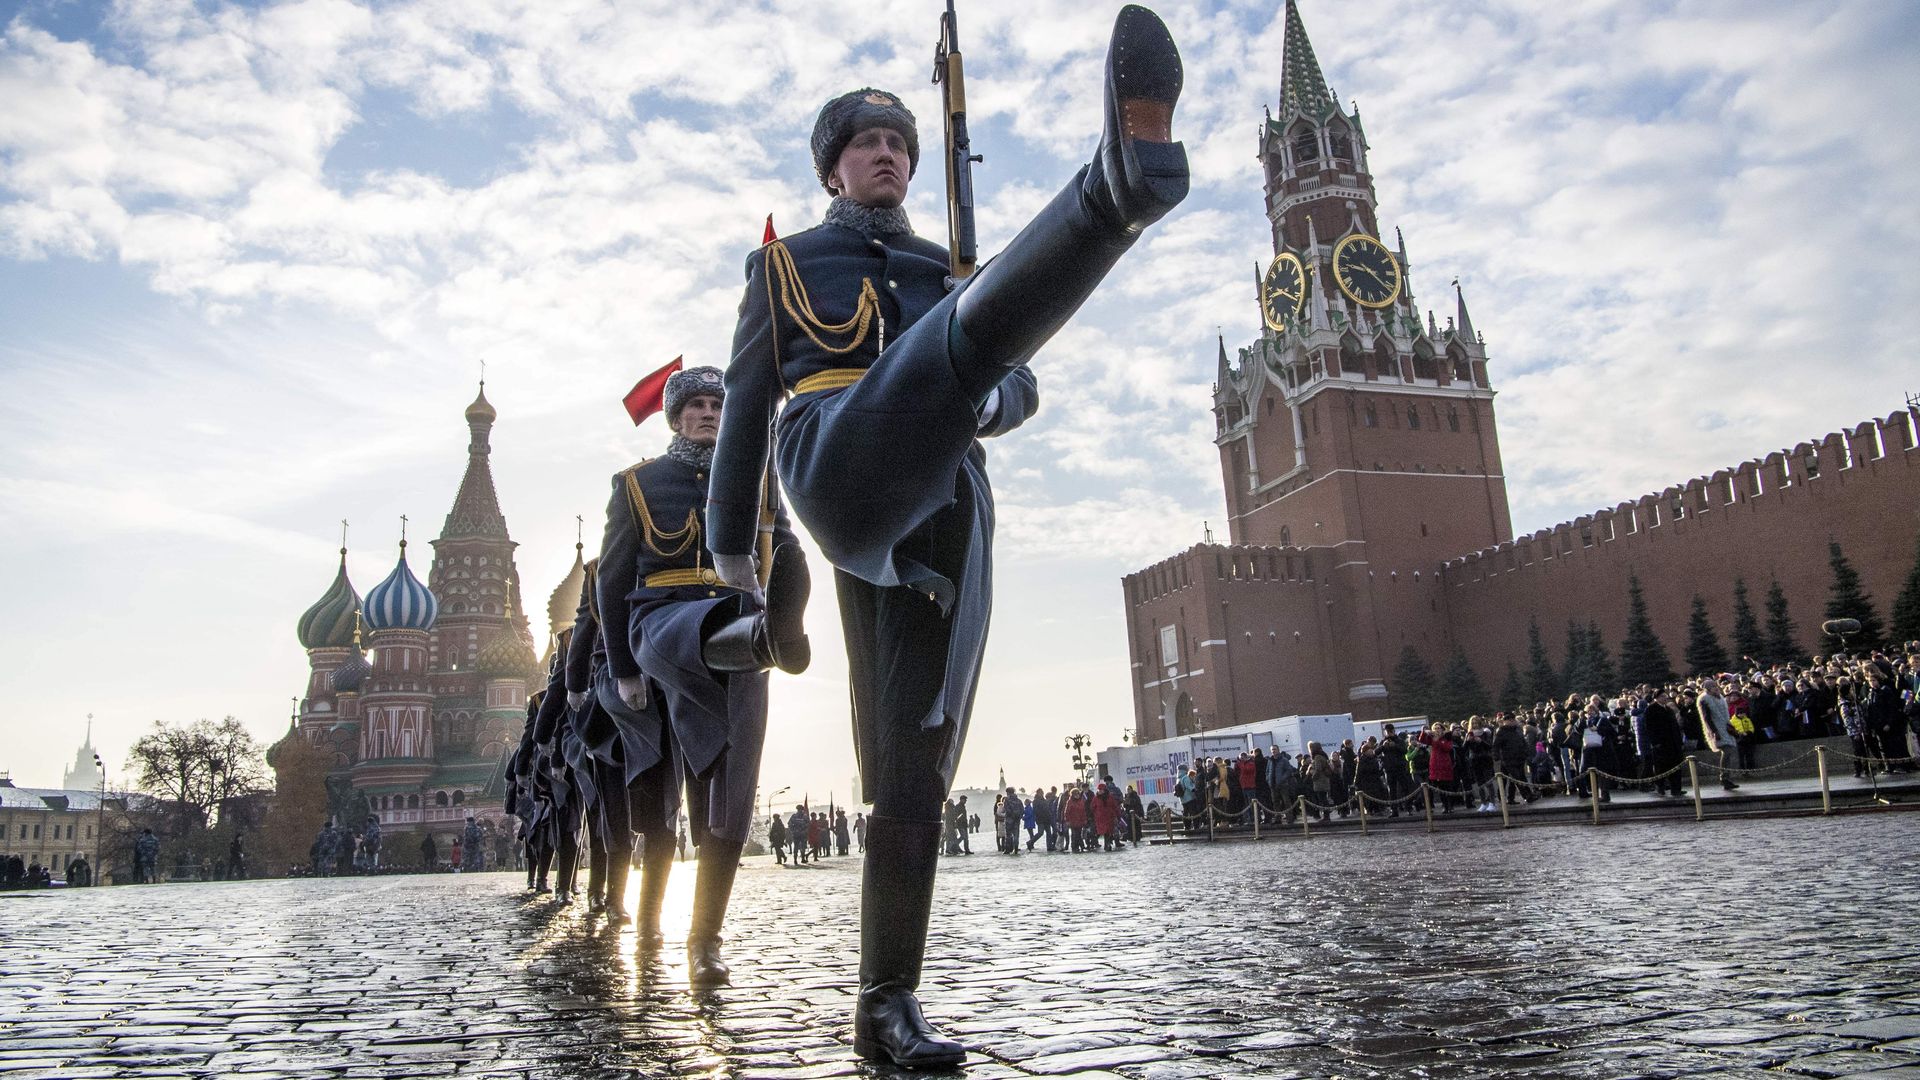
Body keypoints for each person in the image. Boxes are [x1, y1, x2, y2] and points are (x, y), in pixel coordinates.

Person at [706, 7, 1186, 1067]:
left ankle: (887, 1003)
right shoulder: (784, 269)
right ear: (834, 169)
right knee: (950, 350)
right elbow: (745, 408)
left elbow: (1017, 384)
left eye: (900, 146)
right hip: (835, 456)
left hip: (943, 500)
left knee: (911, 763)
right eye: (868, 144)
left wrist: (1000, 397)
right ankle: (1116, 188)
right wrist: (736, 556)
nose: (888, 155)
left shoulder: (948, 270)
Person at [595, 365, 806, 980]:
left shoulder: (756, 480)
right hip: (660, 622)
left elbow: (785, 546)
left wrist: (791, 569)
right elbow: (611, 583)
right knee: (721, 621)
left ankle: (703, 941)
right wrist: (622, 669)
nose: (711, 413)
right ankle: (764, 634)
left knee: (729, 786)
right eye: (698, 405)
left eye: (720, 403)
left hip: (740, 633)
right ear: (676, 416)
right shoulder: (637, 484)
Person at [1695, 678, 1743, 791]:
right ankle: (1724, 778)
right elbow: (1706, 718)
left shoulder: (1720, 697)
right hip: (1716, 729)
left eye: (1715, 686)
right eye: (1712, 687)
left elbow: (1725, 715)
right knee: (1727, 751)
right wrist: (1714, 731)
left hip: (1725, 727)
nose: (1715, 688)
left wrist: (1730, 726)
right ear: (1707, 689)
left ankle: (1726, 778)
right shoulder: (1704, 700)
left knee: (1730, 751)